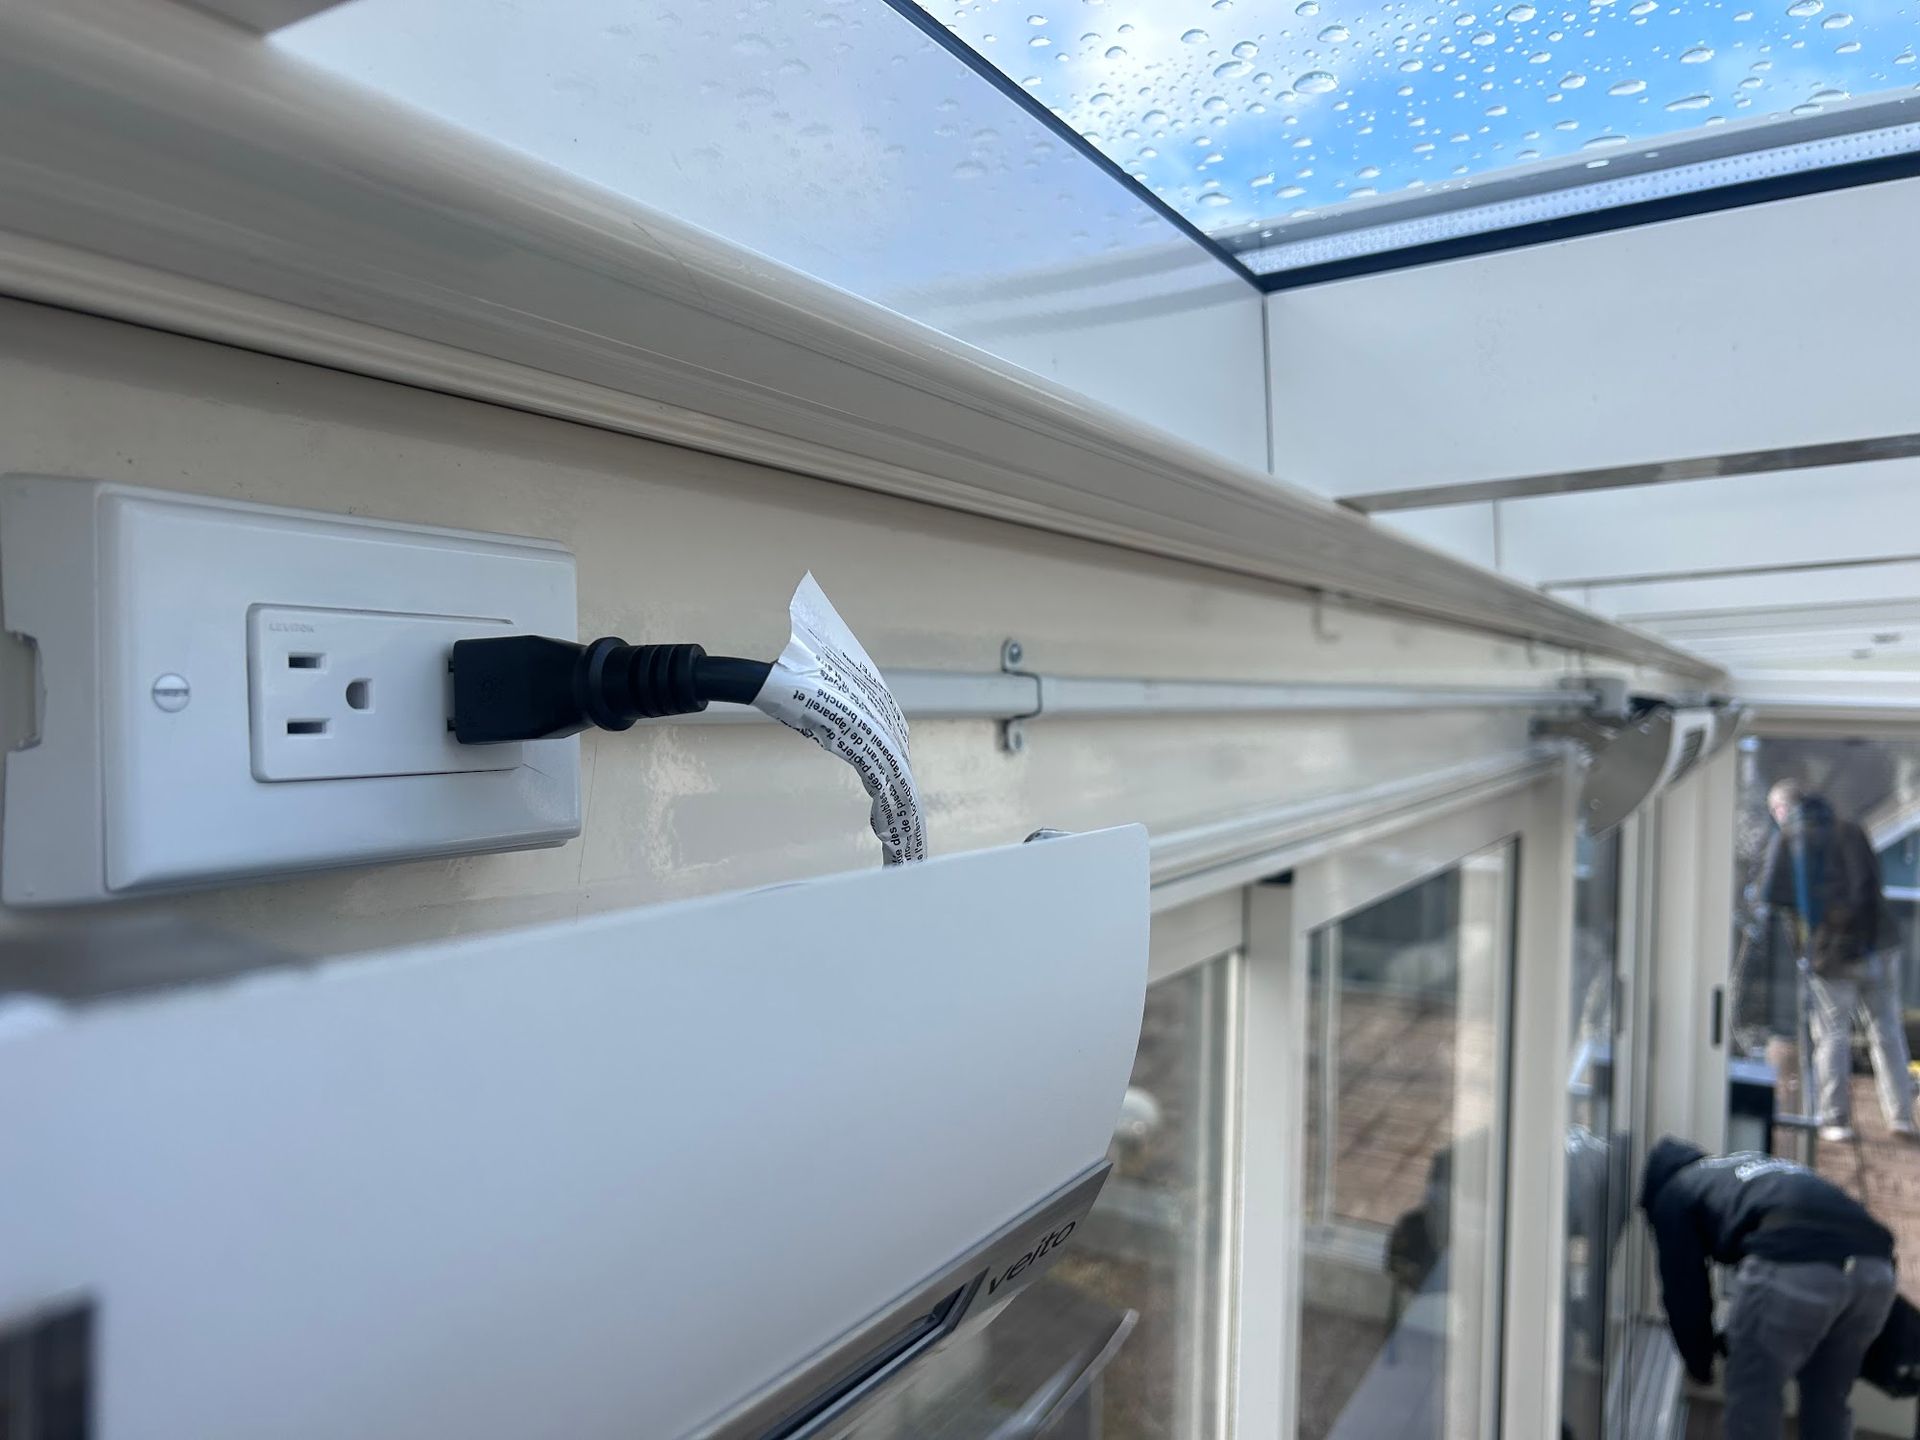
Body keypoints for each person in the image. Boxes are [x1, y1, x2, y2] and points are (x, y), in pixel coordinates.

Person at [1641, 1137, 1898, 1439]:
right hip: (1876, 1270)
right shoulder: (1743, 1166)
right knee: (1827, 1396)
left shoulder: (1676, 1191)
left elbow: (1684, 1288)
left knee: (1754, 1396)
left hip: (1797, 1261)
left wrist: (1699, 1362)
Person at [1752, 779, 1916, 1142]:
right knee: (1886, 1029)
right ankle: (1901, 1116)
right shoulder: (1851, 830)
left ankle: (1834, 1120)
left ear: (1781, 809)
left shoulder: (1789, 839)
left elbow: (1775, 903)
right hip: (1881, 944)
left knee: (1832, 1034)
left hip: (1832, 956)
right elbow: (1873, 887)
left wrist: (1806, 949)